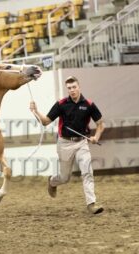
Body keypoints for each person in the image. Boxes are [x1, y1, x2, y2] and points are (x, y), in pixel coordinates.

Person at [30, 75, 105, 215]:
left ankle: (91, 204)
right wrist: (35, 111)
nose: (72, 90)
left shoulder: (88, 104)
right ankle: (52, 182)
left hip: (82, 143)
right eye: (69, 88)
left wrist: (96, 136)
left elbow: (101, 124)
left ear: (79, 87)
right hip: (64, 143)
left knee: (87, 171)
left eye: (74, 87)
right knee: (65, 178)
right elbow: (45, 121)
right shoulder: (61, 104)